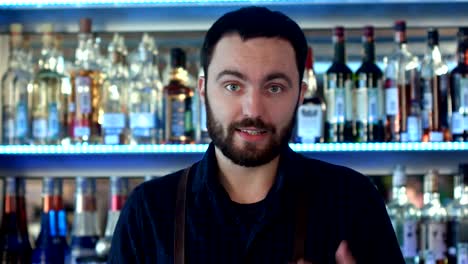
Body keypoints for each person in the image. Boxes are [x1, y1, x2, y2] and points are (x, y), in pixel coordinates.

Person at [109, 6, 404, 264]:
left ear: (300, 95)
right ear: (203, 91)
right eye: (233, 86)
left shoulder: (352, 200)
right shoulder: (149, 211)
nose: (253, 109)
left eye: (274, 87)